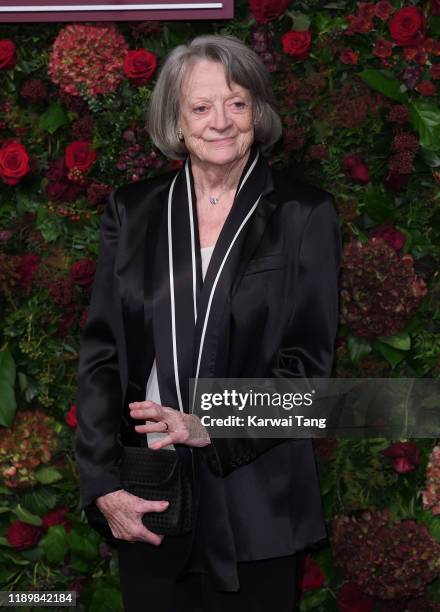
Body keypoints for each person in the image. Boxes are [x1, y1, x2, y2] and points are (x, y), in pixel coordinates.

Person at [74, 34, 341, 612]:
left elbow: (309, 371)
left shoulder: (305, 214)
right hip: (147, 494)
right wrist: (101, 485)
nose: (221, 121)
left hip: (260, 501)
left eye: (237, 103)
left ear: (258, 113)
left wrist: (209, 422)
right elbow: (103, 356)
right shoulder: (133, 209)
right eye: (201, 106)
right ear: (175, 119)